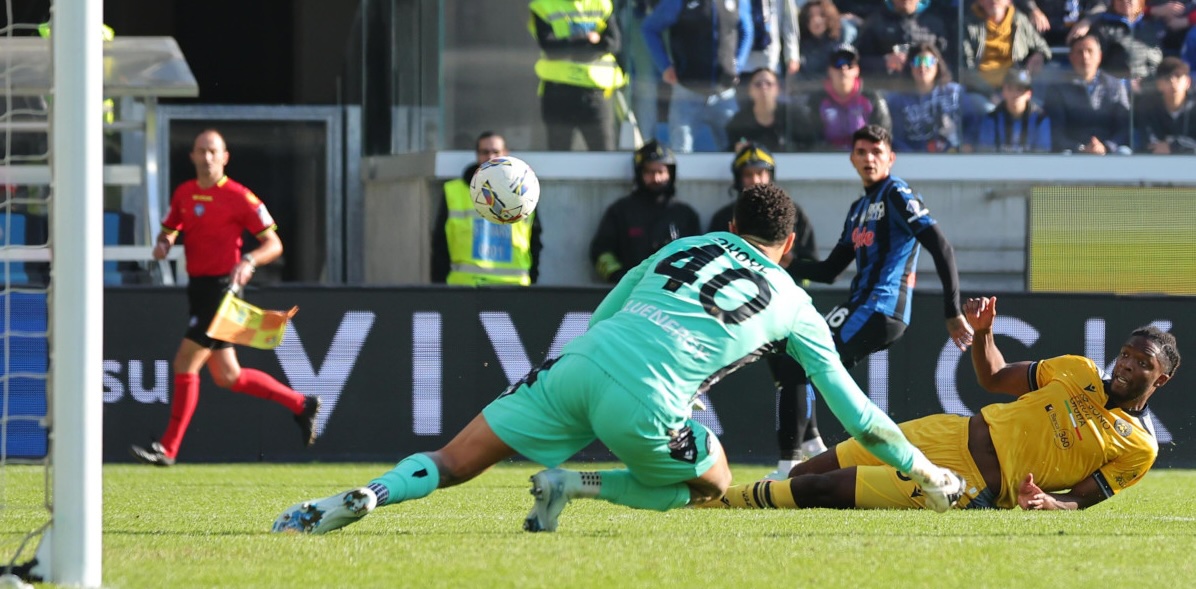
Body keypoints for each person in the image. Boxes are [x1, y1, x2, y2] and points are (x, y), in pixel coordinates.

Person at [271, 183, 967, 536]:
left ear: (731, 227)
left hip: (579, 364)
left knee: (452, 461)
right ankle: (576, 484)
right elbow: (859, 417)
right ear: (788, 246)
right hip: (648, 401)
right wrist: (925, 471)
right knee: (713, 482)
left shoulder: (682, 245)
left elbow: (604, 316)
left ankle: (366, 496)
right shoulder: (795, 302)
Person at [704, 297, 1180, 511]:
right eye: (1126, 354)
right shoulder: (1077, 370)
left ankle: (716, 500)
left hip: (966, 483)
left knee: (825, 489)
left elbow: (1084, 497)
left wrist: (1050, 504)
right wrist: (984, 334)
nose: (1126, 365)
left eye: (1142, 363)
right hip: (944, 432)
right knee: (809, 472)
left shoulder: (1139, 447)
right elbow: (993, 377)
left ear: (1161, 378)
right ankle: (719, 502)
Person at [129, 130, 320, 467]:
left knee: (185, 363)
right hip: (198, 289)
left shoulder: (240, 197)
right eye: (201, 151)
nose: (207, 157)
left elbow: (274, 244)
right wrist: (164, 243)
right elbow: (170, 228)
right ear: (192, 156)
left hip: (223, 291)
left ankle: (168, 449)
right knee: (228, 376)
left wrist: (249, 261)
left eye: (213, 151)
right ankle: (301, 404)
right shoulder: (184, 193)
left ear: (225, 157)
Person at [785, 125, 972, 454]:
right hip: (863, 306)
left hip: (880, 307)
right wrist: (785, 262)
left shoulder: (896, 194)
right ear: (852, 159)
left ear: (891, 159)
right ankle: (823, 448)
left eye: (877, 152)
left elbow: (941, 246)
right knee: (804, 361)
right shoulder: (858, 209)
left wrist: (952, 310)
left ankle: (794, 460)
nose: (869, 159)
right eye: (862, 152)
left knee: (803, 359)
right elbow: (830, 271)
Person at [707, 144, 824, 479]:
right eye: (749, 174)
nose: (756, 180)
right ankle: (812, 444)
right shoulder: (724, 217)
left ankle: (795, 458)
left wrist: (786, 266)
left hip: (782, 308)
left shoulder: (791, 213)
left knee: (793, 373)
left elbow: (812, 265)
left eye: (761, 173)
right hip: (740, 310)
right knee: (788, 376)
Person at [431, 132, 542, 286]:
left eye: (496, 152)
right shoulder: (454, 191)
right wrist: (439, 287)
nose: (490, 157)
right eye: (485, 152)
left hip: (514, 288)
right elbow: (440, 244)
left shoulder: (525, 192)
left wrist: (532, 281)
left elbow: (535, 241)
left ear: (506, 154)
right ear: (477, 155)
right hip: (467, 287)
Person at [642, 0, 753, 152]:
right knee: (681, 151)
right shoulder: (679, 2)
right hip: (687, 92)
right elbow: (650, 28)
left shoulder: (738, 2)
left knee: (735, 149)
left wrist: (737, 65)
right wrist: (665, 66)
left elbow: (747, 31)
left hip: (724, 93)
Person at [589, 140, 700, 283]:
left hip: (671, 291)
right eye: (649, 172)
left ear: (670, 174)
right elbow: (601, 252)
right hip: (631, 290)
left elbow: (698, 257)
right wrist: (619, 277)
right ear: (639, 173)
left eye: (661, 172)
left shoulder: (685, 215)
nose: (656, 178)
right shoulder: (620, 211)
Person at [528, 0, 625, 151]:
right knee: (558, 155)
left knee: (604, 154)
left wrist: (571, 45)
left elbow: (613, 43)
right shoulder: (543, 5)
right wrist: (588, 40)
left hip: (595, 91)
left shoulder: (602, 4)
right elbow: (551, 48)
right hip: (558, 91)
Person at [1042, 34, 1133, 154]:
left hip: (1108, 152)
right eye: (1080, 52)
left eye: (1090, 51)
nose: (1085, 56)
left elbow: (1125, 128)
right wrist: (1081, 149)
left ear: (1099, 56)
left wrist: (1106, 147)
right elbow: (1056, 132)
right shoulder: (1057, 88)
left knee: (1124, 153)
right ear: (1071, 57)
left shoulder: (1116, 86)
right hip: (1073, 152)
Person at [792, 44, 892, 151]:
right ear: (829, 70)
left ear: (857, 70)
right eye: (838, 63)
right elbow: (811, 142)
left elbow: (883, 138)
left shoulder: (872, 98)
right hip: (826, 158)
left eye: (849, 64)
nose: (843, 68)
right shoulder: (816, 101)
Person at [886, 43, 978, 153]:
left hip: (954, 156)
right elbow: (896, 138)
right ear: (910, 66)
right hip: (913, 159)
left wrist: (966, 145)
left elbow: (973, 123)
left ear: (937, 65)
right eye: (917, 61)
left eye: (928, 61)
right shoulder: (897, 100)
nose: (922, 66)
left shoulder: (955, 93)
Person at [959, 0, 1052, 102]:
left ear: (1009, 1)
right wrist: (990, 95)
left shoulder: (1019, 20)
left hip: (1016, 88)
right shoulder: (967, 23)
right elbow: (966, 69)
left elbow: (1042, 47)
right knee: (985, 107)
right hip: (981, 92)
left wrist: (1039, 55)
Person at [854, 0, 951, 89]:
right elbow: (857, 63)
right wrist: (885, 62)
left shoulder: (934, 25)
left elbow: (947, 61)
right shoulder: (875, 22)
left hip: (929, 91)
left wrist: (927, 62)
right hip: (887, 89)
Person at [973, 69, 1053, 152]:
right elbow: (986, 152)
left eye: (1019, 90)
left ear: (1028, 94)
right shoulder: (992, 119)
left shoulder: (1040, 119)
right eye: (1010, 89)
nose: (1015, 94)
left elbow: (1042, 153)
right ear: (1003, 92)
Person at [725, 68, 800, 152]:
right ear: (749, 90)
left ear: (778, 89)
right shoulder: (738, 122)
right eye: (758, 84)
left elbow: (808, 145)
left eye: (769, 83)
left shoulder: (793, 116)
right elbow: (729, 150)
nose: (764, 87)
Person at [792, 0, 858, 95]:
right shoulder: (801, 45)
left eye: (822, 15)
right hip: (811, 93)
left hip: (841, 92)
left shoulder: (844, 35)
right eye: (810, 16)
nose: (816, 20)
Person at [1134, 57, 1196, 154]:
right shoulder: (1148, 107)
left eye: (1178, 76)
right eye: (1167, 78)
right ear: (1159, 84)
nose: (1172, 82)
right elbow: (1150, 144)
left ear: (1188, 82)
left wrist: (1174, 146)